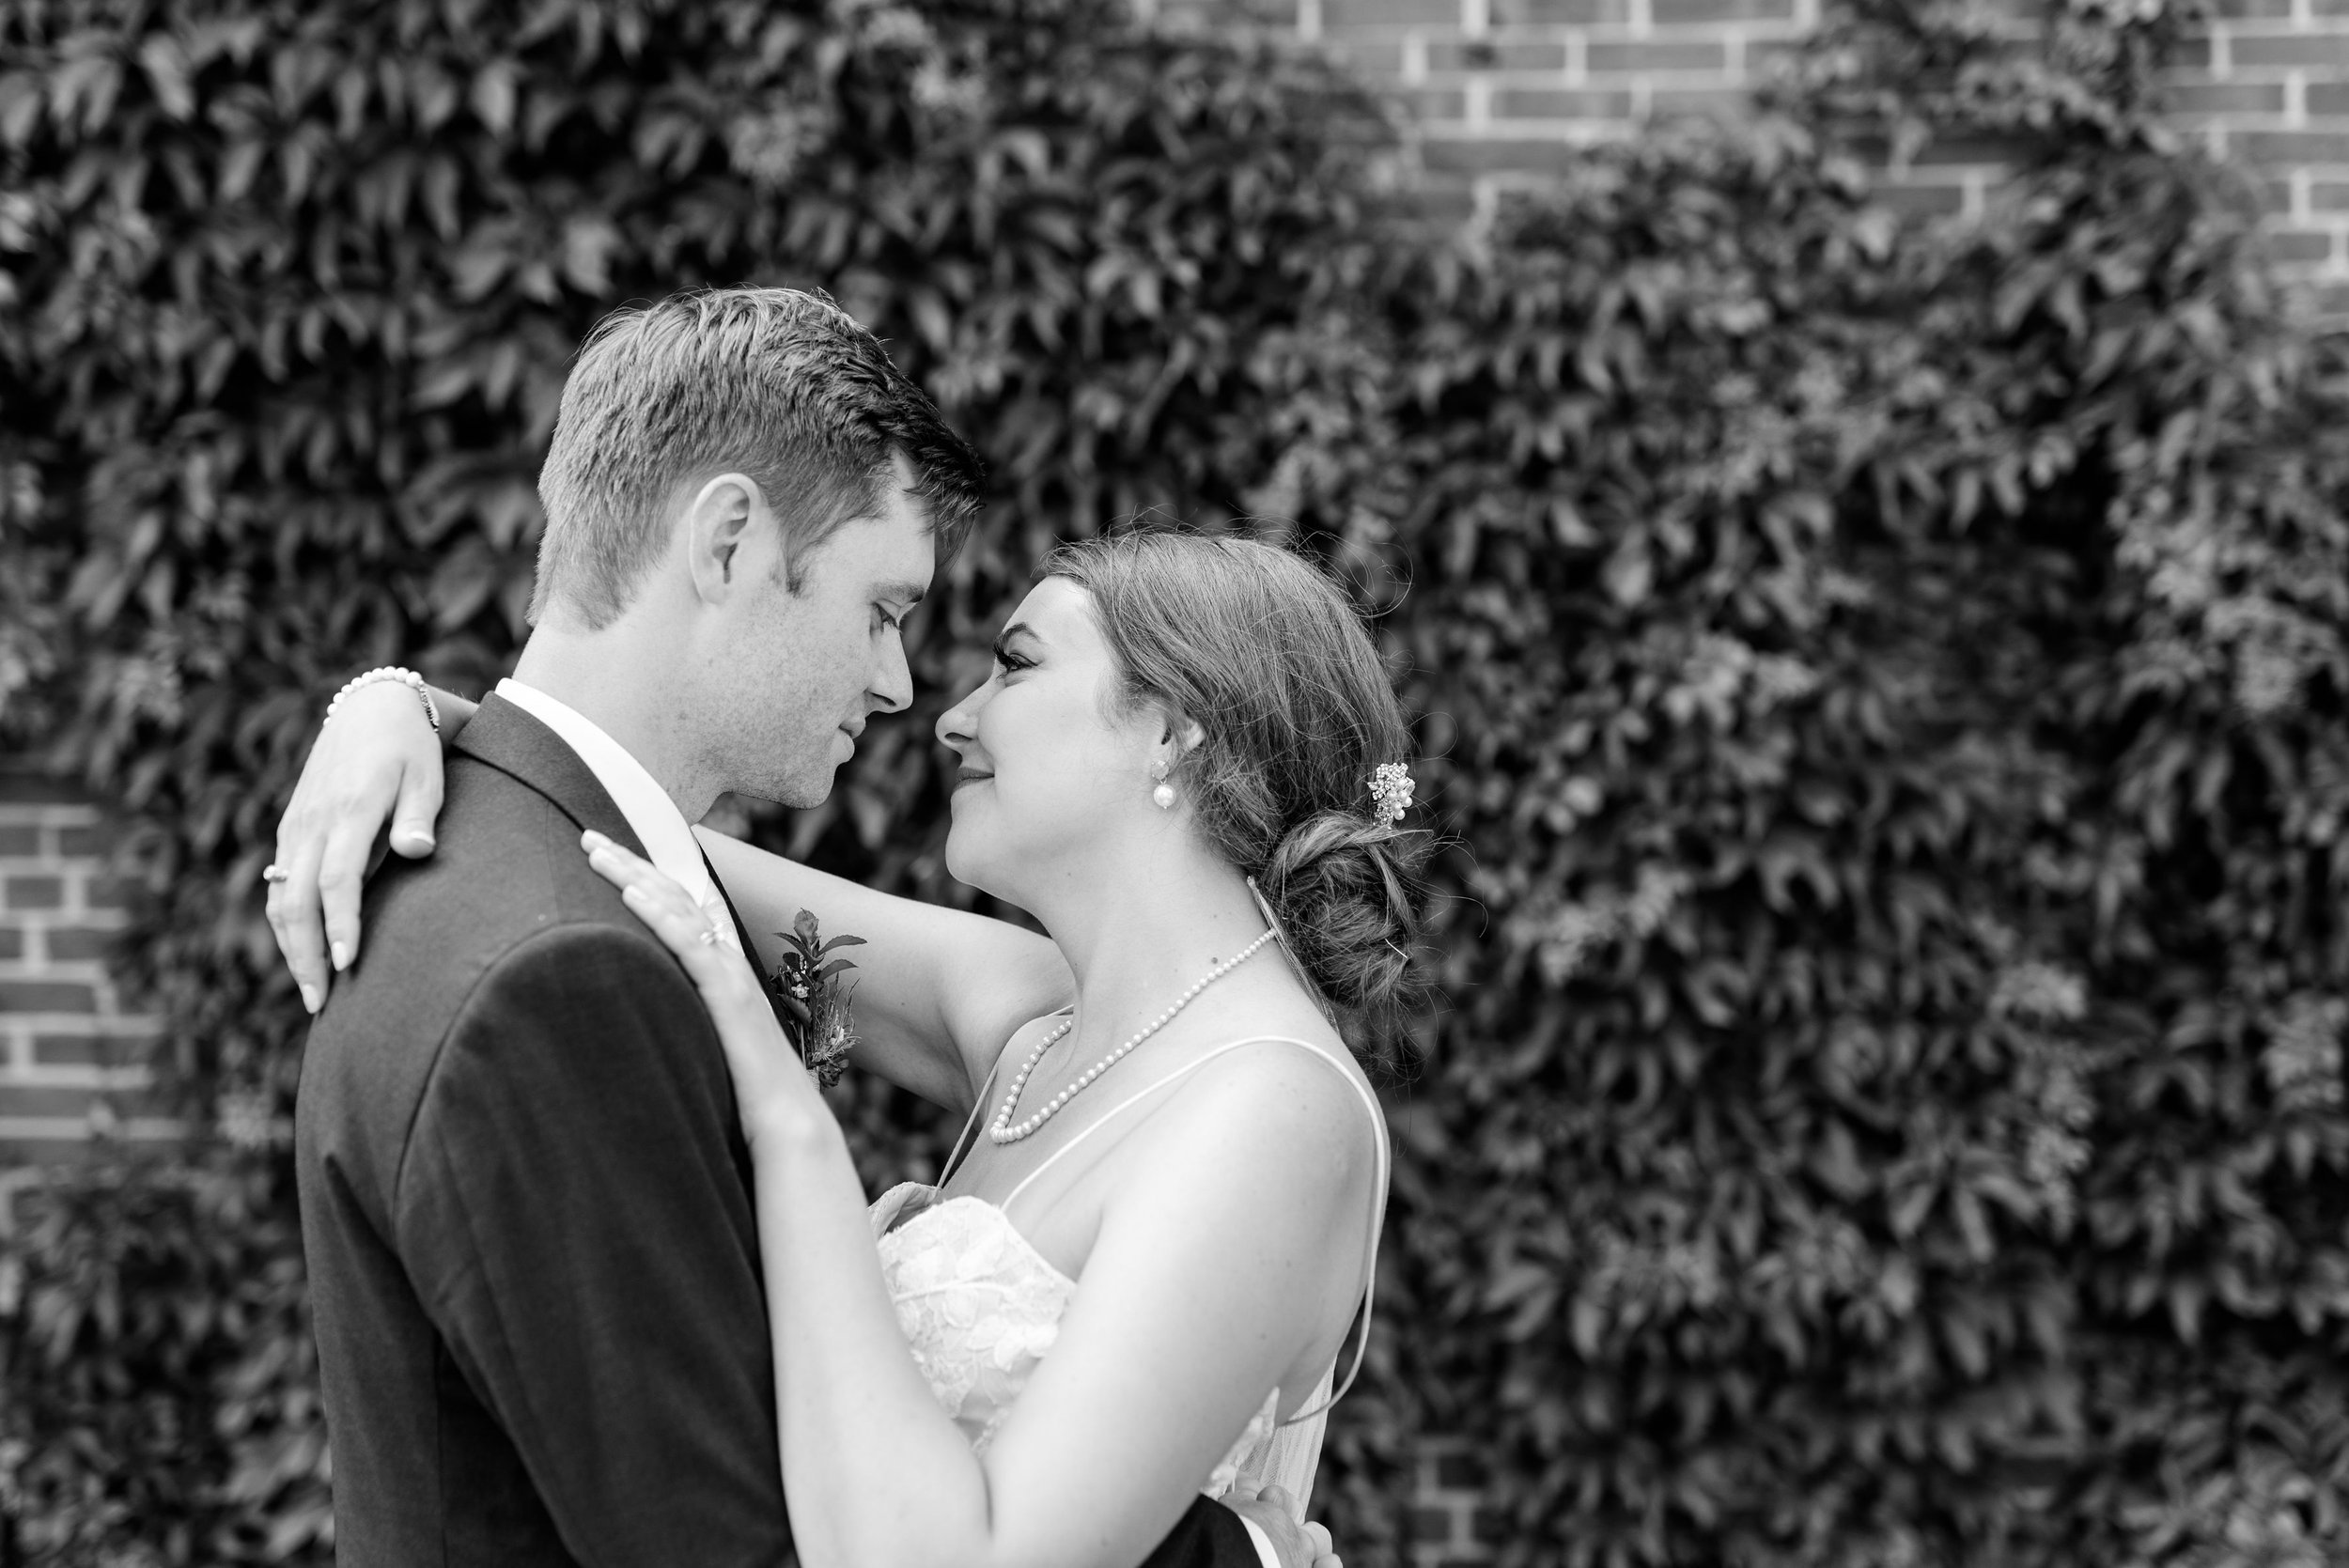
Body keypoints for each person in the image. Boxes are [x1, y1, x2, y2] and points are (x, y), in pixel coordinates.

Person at [280, 291, 1423, 1568]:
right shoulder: (1041, 1012)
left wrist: (791, 1124)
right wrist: (401, 709)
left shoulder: (1269, 1103)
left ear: (1171, 731)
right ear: (727, 543)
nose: (928, 705)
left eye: (1015, 663)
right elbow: (630, 836)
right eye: (891, 618)